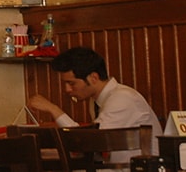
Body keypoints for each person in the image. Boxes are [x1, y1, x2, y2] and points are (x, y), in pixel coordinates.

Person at [27, 46, 161, 163]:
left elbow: (90, 143)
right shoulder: (96, 101)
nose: (67, 89)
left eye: (72, 83)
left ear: (93, 78)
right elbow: (89, 147)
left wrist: (53, 109)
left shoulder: (122, 98)